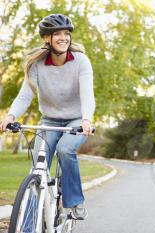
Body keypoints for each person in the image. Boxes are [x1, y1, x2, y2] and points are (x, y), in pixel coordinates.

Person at [0, 14, 95, 219]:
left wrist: (87, 119)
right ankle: (29, 220)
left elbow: (87, 94)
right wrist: (10, 116)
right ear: (47, 39)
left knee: (65, 148)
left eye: (66, 33)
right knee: (38, 167)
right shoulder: (37, 65)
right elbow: (25, 95)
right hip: (49, 121)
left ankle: (75, 202)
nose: (63, 37)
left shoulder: (80, 61)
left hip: (77, 121)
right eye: (57, 34)